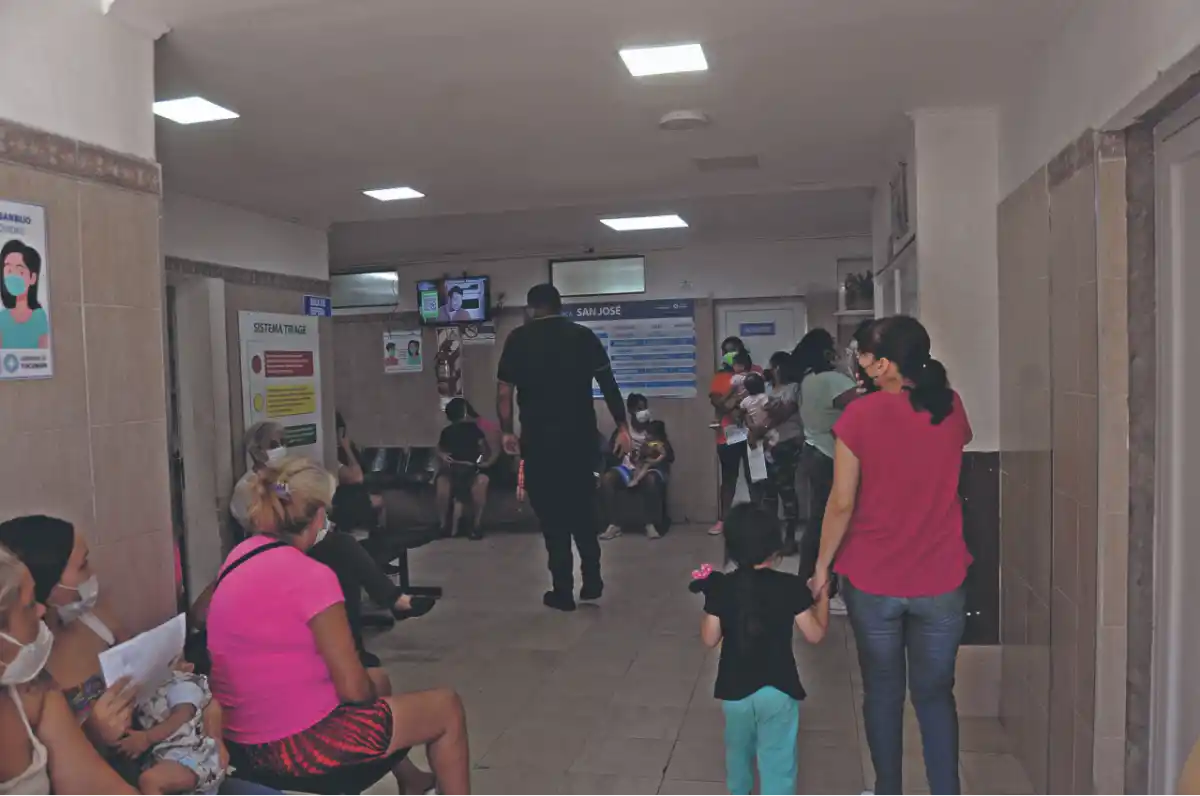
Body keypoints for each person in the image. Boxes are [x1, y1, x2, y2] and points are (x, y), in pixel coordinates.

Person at [207, 457, 468, 796]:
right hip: (299, 749)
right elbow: (353, 690)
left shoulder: (238, 556)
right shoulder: (313, 577)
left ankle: (410, 779)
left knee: (380, 680)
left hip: (242, 742)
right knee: (446, 707)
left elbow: (202, 615)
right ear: (319, 516)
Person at [808, 315, 972, 796]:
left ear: (883, 364)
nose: (856, 361)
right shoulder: (950, 406)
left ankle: (887, 792)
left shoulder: (858, 417)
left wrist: (821, 568)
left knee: (882, 692)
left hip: (873, 579)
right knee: (936, 695)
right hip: (941, 578)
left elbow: (841, 502)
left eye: (861, 353)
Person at [229, 423, 432, 671]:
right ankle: (393, 603)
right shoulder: (246, 487)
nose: (280, 449)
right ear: (256, 451)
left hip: (305, 543)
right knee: (344, 549)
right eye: (273, 445)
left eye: (282, 442)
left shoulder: (285, 482)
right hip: (275, 551)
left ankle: (356, 645)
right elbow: (262, 525)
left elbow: (305, 509)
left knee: (345, 566)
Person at [496, 283, 632, 612]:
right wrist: (622, 425)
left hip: (539, 443)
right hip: (579, 439)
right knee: (582, 508)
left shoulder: (518, 339)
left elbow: (504, 394)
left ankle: (562, 590)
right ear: (560, 306)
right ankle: (593, 580)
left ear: (531, 308)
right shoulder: (583, 336)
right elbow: (608, 384)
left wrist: (506, 431)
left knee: (552, 516)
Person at [689, 504, 829, 796]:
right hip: (778, 688)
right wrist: (822, 596)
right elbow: (815, 634)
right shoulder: (791, 587)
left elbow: (709, 638)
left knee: (738, 755)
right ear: (774, 548)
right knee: (777, 760)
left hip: (734, 691)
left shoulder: (723, 588)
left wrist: (710, 598)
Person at [794, 329, 859, 614]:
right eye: (833, 346)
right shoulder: (833, 380)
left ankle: (808, 583)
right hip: (830, 456)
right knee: (832, 523)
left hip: (813, 451)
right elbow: (864, 408)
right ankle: (825, 587)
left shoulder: (808, 380)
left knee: (817, 522)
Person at [117, 670, 227, 796]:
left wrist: (146, 738)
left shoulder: (181, 684)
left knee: (150, 781)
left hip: (191, 758)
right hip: (175, 761)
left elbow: (183, 714)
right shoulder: (146, 694)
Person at [751, 351, 805, 556]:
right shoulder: (765, 389)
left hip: (786, 444)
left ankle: (790, 538)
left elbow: (784, 413)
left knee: (786, 490)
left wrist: (761, 428)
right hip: (766, 446)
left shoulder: (793, 388)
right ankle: (771, 539)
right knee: (769, 494)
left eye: (772, 367)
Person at [599, 394, 673, 541]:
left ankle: (650, 524)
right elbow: (610, 454)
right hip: (626, 468)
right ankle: (614, 524)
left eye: (645, 408)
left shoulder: (654, 429)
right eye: (639, 408)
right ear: (631, 410)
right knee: (607, 479)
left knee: (651, 480)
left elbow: (670, 455)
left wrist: (656, 454)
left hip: (649, 467)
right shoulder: (623, 431)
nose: (643, 412)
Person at [709, 349, 761, 536]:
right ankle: (723, 520)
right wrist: (734, 409)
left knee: (754, 477)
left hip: (752, 433)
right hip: (727, 434)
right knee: (729, 478)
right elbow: (717, 402)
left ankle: (758, 521)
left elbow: (760, 397)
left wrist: (741, 408)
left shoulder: (757, 373)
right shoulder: (720, 378)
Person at [435, 398, 491, 540]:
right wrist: (442, 456)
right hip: (453, 468)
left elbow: (484, 451)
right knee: (442, 484)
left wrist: (480, 460)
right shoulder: (447, 432)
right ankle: (443, 526)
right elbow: (439, 449)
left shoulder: (474, 429)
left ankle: (475, 525)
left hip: (470, 469)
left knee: (481, 482)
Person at [0, 240, 50, 350]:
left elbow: (44, 354)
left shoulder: (39, 317)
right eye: (9, 270)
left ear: (33, 278)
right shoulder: (2, 318)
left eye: (20, 271)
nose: (13, 276)